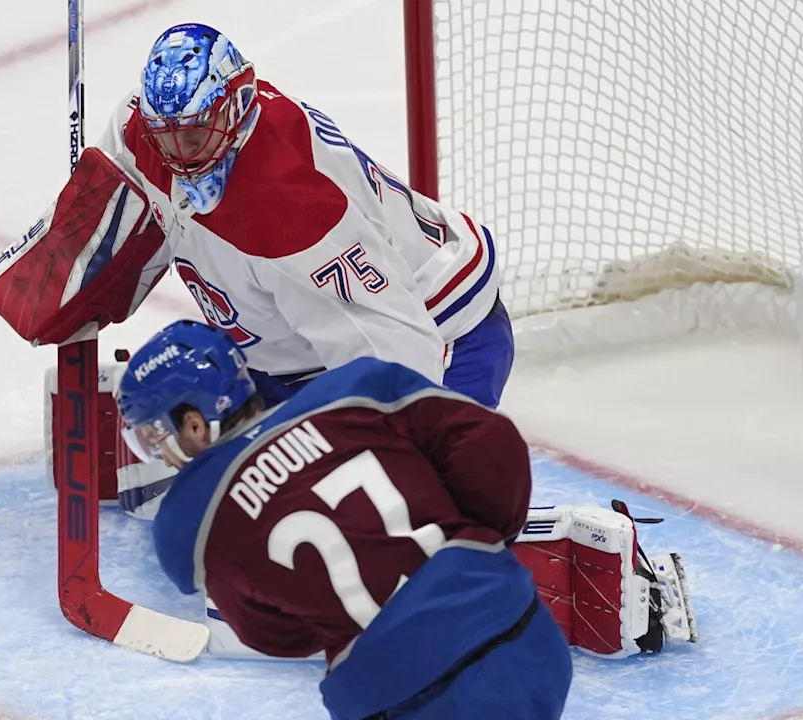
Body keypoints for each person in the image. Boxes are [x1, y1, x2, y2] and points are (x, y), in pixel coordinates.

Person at [114, 320, 698, 719]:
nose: (158, 450)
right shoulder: (357, 388)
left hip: (398, 694)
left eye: (156, 433)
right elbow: (491, 445)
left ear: (196, 422)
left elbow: (271, 634)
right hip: (516, 628)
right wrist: (475, 546)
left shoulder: (187, 525)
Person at [88, 21, 512, 410]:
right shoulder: (139, 130)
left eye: (195, 135)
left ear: (236, 108)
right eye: (166, 137)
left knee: (386, 483)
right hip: (290, 350)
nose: (178, 156)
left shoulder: (291, 209)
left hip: (442, 330)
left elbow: (398, 352)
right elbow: (99, 229)